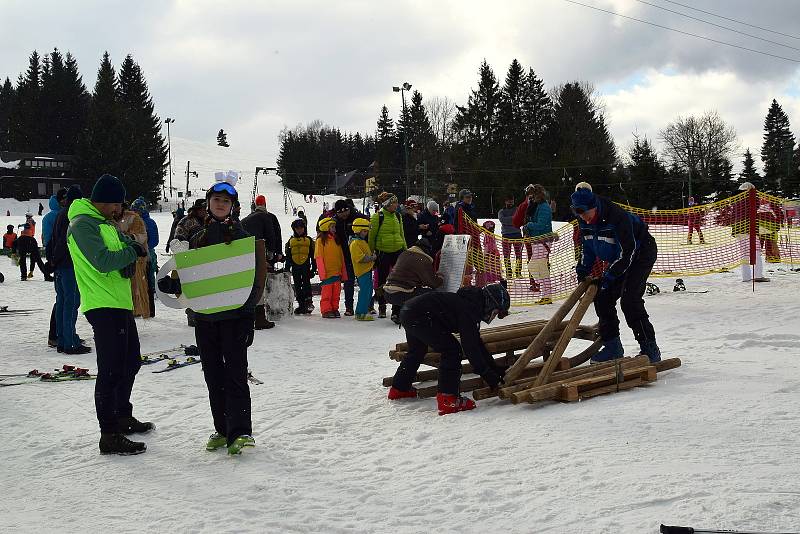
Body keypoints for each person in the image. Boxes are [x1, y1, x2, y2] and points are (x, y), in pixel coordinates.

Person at [159, 178, 260, 455]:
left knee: (235, 374)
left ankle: (240, 431)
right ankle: (223, 427)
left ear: (233, 206)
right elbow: (191, 279)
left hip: (235, 317)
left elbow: (253, 280)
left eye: (226, 201)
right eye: (216, 200)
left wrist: (249, 315)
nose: (220, 204)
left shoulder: (242, 238)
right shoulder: (195, 239)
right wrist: (174, 285)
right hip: (204, 319)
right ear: (209, 203)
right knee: (213, 374)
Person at [67, 174, 153, 455]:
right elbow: (103, 261)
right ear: (104, 201)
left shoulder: (105, 224)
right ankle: (109, 434)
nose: (120, 210)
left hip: (119, 302)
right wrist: (132, 252)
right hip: (102, 305)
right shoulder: (83, 225)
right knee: (111, 369)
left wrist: (129, 254)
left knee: (130, 362)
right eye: (117, 204)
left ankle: (121, 415)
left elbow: (120, 253)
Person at [388, 282, 511, 415]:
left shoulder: (470, 303)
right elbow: (470, 348)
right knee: (452, 350)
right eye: (496, 312)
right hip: (421, 315)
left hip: (410, 310)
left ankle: (399, 388)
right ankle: (448, 399)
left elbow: (476, 343)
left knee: (417, 350)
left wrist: (494, 368)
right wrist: (488, 375)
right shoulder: (469, 310)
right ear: (490, 303)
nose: (493, 317)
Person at [570, 186, 661, 364]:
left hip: (641, 253)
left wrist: (609, 277)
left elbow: (627, 252)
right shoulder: (584, 220)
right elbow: (587, 247)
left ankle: (650, 348)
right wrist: (583, 269)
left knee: (630, 300)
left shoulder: (616, 217)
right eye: (580, 214)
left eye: (586, 213)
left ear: (594, 207)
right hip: (620, 258)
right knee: (602, 297)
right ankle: (613, 347)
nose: (584, 218)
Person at [49, 185, 90, 354]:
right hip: (69, 265)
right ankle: (69, 342)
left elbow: (53, 240)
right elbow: (66, 243)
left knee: (62, 302)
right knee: (71, 303)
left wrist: (52, 261)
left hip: (59, 264)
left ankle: (62, 339)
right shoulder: (72, 215)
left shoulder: (60, 214)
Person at [241, 195, 283, 329]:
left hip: (246, 254)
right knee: (260, 284)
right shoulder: (267, 216)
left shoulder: (246, 219)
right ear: (265, 204)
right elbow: (273, 235)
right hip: (259, 253)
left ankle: (248, 316)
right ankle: (260, 318)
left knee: (250, 284)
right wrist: (273, 254)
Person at [320, 198, 366, 316]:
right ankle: (349, 307)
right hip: (346, 255)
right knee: (348, 282)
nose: (344, 215)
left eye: (345, 212)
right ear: (337, 213)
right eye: (340, 213)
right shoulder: (335, 222)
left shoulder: (357, 217)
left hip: (360, 255)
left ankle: (367, 305)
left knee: (364, 282)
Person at [383, 237, 444, 323]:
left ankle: (398, 314)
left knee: (406, 289)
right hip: (400, 294)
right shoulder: (422, 258)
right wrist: (441, 276)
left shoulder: (404, 254)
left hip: (388, 292)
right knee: (433, 294)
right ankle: (423, 319)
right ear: (426, 249)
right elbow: (433, 283)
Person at [368, 192, 407, 319]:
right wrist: (372, 252)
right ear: (387, 204)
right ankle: (382, 305)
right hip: (383, 252)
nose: (396, 205)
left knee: (398, 280)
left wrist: (404, 249)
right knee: (382, 280)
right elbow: (371, 238)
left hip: (397, 250)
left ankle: (396, 309)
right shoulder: (377, 217)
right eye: (394, 203)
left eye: (396, 202)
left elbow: (401, 234)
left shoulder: (398, 215)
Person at [115, 205, 151, 318]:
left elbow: (142, 236)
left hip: (134, 260)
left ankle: (135, 308)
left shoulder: (133, 219)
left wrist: (127, 237)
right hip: (117, 260)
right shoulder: (108, 219)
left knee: (135, 286)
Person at [521, 184, 554, 305]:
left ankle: (546, 292)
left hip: (543, 240)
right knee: (539, 267)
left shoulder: (544, 207)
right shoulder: (537, 206)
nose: (530, 198)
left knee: (536, 266)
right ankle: (546, 294)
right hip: (537, 240)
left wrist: (529, 226)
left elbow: (542, 225)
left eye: (531, 195)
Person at [43, 189, 68, 346]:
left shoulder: (63, 214)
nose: (66, 201)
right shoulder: (53, 216)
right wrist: (53, 260)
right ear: (59, 200)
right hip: (59, 261)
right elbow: (49, 240)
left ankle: (63, 333)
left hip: (60, 260)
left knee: (64, 299)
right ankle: (55, 335)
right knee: (62, 299)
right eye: (64, 198)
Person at [130, 197, 159, 316]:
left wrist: (144, 248)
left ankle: (150, 310)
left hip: (148, 254)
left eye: (136, 210)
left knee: (147, 280)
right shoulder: (132, 220)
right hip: (135, 255)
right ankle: (137, 308)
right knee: (136, 282)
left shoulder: (149, 222)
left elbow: (155, 240)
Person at [315, 217, 348, 318]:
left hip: (337, 272)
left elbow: (341, 256)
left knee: (336, 293)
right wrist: (322, 273)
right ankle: (326, 310)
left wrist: (343, 271)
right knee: (327, 293)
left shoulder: (336, 240)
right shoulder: (321, 241)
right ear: (325, 227)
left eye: (334, 227)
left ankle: (334, 308)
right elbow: (318, 257)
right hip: (327, 273)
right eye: (332, 227)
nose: (334, 229)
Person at [285, 218, 315, 315]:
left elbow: (313, 256)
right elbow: (288, 256)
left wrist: (314, 268)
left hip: (305, 266)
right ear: (294, 229)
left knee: (306, 284)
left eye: (301, 228)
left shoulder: (309, 240)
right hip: (295, 267)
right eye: (297, 228)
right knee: (297, 285)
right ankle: (301, 304)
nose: (299, 230)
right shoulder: (290, 241)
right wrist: (287, 268)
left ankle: (308, 302)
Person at [348, 218, 376, 321]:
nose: (366, 233)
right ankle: (360, 313)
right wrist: (372, 258)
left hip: (367, 270)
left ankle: (364, 310)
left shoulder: (361, 241)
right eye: (364, 231)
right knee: (365, 291)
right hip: (362, 271)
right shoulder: (355, 243)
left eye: (366, 231)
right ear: (358, 230)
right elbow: (360, 258)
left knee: (368, 291)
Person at [498, 195, 523, 279]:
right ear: (505, 201)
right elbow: (502, 220)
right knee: (506, 255)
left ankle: (518, 272)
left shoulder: (517, 209)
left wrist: (510, 220)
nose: (510, 202)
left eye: (511, 200)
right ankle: (509, 273)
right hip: (506, 235)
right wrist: (513, 219)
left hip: (517, 234)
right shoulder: (501, 211)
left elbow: (519, 218)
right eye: (508, 200)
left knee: (518, 254)